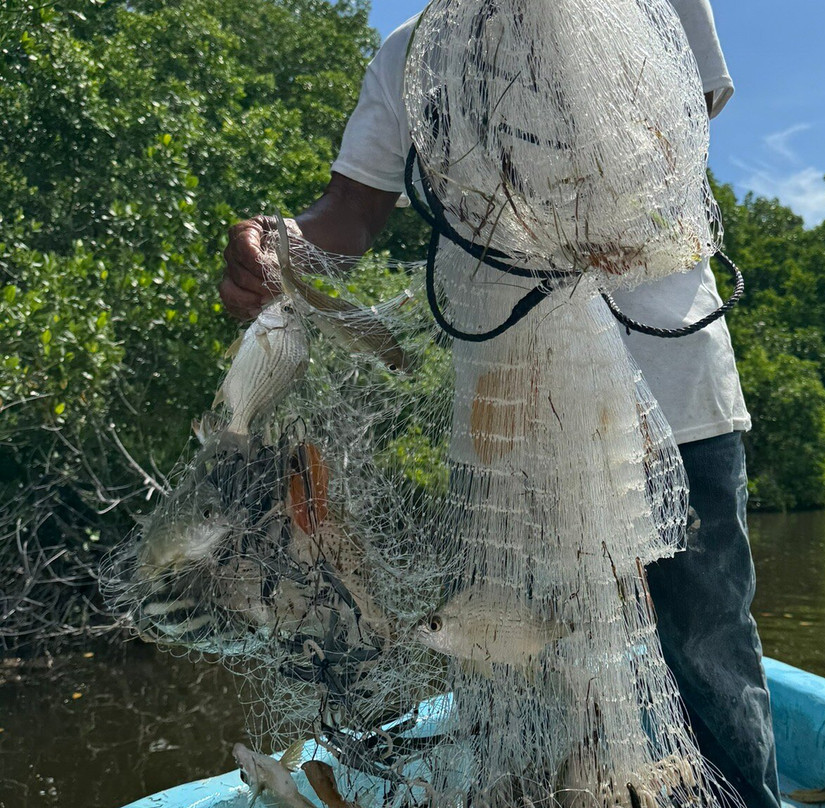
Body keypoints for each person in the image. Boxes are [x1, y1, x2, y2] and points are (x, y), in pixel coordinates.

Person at [220, 2, 780, 806]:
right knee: (507, 645)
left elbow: (672, 136)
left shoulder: (656, 7)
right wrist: (273, 243)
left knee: (706, 631)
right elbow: (345, 217)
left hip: (672, 384)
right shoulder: (408, 57)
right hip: (503, 418)